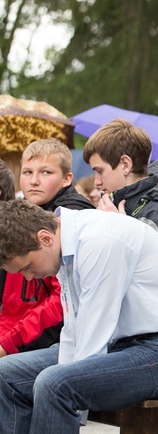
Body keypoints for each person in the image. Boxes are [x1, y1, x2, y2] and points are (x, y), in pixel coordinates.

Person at [0, 200, 158, 434]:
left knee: (54, 383)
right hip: (125, 347)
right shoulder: (68, 244)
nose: (28, 277)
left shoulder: (100, 239)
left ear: (45, 238)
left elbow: (94, 336)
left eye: (27, 266)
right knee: (5, 374)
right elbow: (74, 330)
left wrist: (68, 388)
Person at [82, 118, 158, 310]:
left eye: (100, 171)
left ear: (125, 164)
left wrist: (119, 229)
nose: (97, 181)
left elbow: (156, 280)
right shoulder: (124, 207)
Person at [0, 139, 94, 359]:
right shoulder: (23, 215)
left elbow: (62, 302)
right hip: (16, 331)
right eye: (27, 172)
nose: (34, 181)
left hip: (53, 340)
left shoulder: (68, 222)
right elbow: (13, 301)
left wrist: (8, 343)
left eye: (45, 172)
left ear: (67, 179)